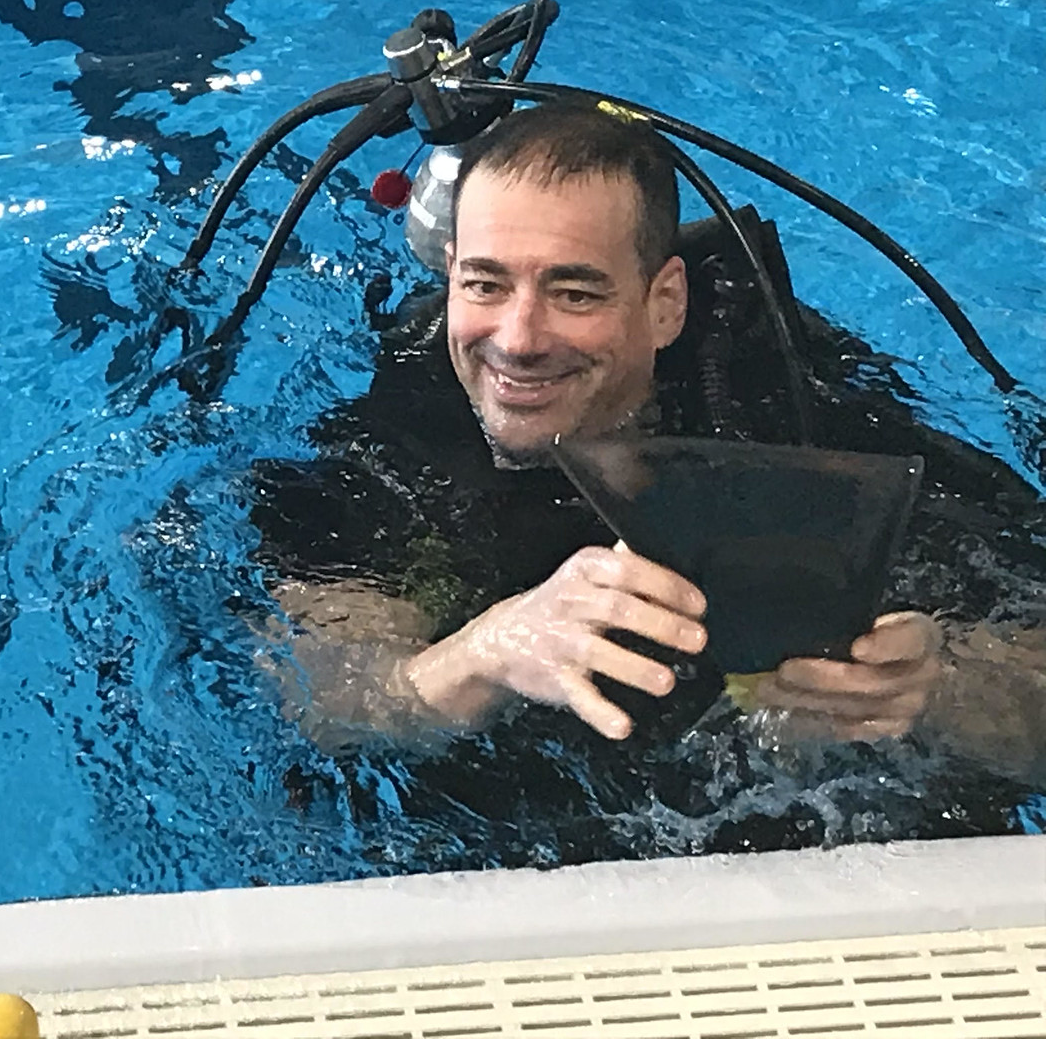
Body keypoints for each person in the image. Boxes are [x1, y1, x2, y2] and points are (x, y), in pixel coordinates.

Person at [253, 104, 1046, 858]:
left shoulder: (801, 416)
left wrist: (938, 692)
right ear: (452, 273)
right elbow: (321, 699)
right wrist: (482, 652)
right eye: (486, 285)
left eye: (575, 292)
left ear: (666, 303)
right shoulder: (395, 444)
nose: (518, 340)